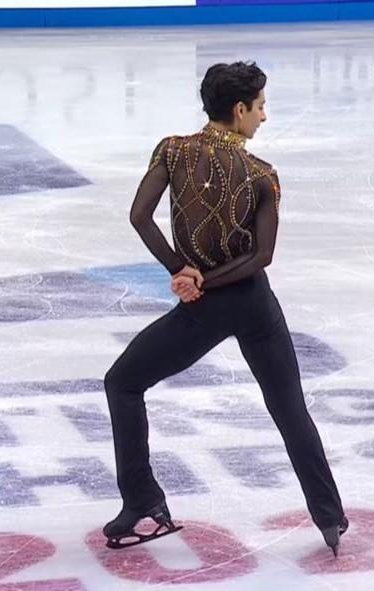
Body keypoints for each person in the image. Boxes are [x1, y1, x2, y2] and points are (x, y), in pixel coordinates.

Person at [102, 61, 348, 556]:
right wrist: (202, 279)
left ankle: (143, 503)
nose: (264, 117)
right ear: (239, 110)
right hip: (254, 304)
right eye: (260, 107)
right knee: (288, 407)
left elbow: (139, 216)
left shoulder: (172, 151)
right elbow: (262, 256)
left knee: (123, 382)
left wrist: (184, 272)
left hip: (205, 308)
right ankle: (330, 518)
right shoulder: (261, 175)